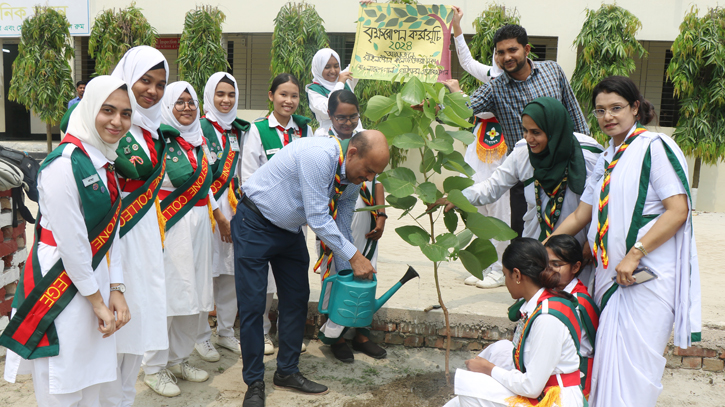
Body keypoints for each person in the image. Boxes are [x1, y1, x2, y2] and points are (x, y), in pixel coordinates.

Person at [550, 76, 701, 407]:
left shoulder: (655, 148)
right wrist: (542, 247)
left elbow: (677, 211)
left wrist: (635, 254)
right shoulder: (606, 158)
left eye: (616, 108)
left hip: (645, 278)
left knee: (636, 373)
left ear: (635, 108)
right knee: (609, 368)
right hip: (609, 277)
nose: (608, 117)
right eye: (600, 110)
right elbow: (583, 216)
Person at [234, 130, 390, 407]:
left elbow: (341, 222)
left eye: (373, 174)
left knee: (296, 300)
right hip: (254, 224)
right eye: (367, 170)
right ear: (352, 153)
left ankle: (287, 371)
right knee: (253, 304)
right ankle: (254, 382)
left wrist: (345, 272)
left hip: (290, 229)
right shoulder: (319, 155)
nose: (368, 179)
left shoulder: (351, 176)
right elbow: (318, 217)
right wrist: (354, 257)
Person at [1, 75, 132, 406]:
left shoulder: (105, 161)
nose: (118, 121)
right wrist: (98, 301)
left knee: (93, 382)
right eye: (108, 110)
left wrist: (116, 289)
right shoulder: (62, 165)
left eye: (126, 113)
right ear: (88, 109)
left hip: (94, 280)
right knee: (63, 382)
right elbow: (72, 245)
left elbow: (112, 231)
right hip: (59, 282)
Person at [447, 19, 589, 240]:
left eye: (512, 50)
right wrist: (434, 106)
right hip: (525, 173)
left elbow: (576, 117)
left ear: (527, 49)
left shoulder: (553, 71)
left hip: (566, 171)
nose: (506, 57)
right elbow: (463, 110)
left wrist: (583, 158)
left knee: (570, 238)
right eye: (500, 52)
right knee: (523, 242)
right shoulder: (495, 88)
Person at [435, 97, 602, 252]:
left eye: (536, 132)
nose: (529, 138)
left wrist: (592, 241)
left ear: (554, 130)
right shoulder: (523, 153)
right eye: (525, 130)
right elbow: (492, 186)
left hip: (578, 247)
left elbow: (603, 203)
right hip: (535, 247)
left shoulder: (589, 154)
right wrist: (459, 198)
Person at [136, 81, 215, 397]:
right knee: (169, 294)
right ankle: (154, 368)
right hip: (170, 223)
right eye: (179, 102)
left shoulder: (199, 140)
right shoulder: (157, 140)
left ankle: (178, 359)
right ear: (167, 106)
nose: (186, 107)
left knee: (193, 294)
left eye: (191, 102)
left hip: (199, 225)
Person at [443, 238, 584, 407]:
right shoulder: (538, 304)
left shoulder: (547, 318)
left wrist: (489, 369)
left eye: (505, 274)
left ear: (517, 275)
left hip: (555, 399)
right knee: (461, 398)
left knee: (470, 392)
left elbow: (531, 386)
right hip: (543, 390)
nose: (506, 282)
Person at [105, 46, 171, 402]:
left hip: (144, 235)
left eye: (160, 84)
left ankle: (124, 396)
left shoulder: (152, 130)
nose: (153, 90)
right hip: (114, 235)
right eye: (145, 80)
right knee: (114, 326)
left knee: (139, 318)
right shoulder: (107, 125)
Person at [239, 73, 313, 357]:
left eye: (294, 96)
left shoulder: (304, 131)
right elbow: (248, 176)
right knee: (264, 284)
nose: (289, 101)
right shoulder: (258, 130)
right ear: (271, 96)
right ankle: (262, 334)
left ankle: (288, 335)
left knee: (292, 284)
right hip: (263, 221)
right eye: (283, 94)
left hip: (295, 221)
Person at [316, 89, 388, 363]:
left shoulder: (369, 139)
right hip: (332, 217)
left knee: (366, 270)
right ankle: (334, 334)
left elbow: (379, 182)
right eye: (341, 117)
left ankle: (361, 333)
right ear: (331, 116)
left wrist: (381, 215)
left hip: (365, 216)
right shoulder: (323, 140)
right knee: (335, 272)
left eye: (353, 116)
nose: (347, 122)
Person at [450, 6, 510, 289]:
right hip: (479, 148)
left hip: (503, 151)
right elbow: (466, 61)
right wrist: (457, 27)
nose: (503, 58)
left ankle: (502, 269)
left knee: (500, 209)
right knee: (478, 205)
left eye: (508, 52)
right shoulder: (491, 74)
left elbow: (481, 109)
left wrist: (456, 94)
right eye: (499, 53)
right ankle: (488, 265)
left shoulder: (514, 82)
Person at [195, 72, 250, 362]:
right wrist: (219, 214)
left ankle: (226, 332)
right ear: (209, 96)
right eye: (220, 94)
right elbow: (199, 176)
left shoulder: (238, 130)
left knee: (230, 272)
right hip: (207, 209)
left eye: (230, 94)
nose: (226, 100)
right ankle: (201, 336)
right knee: (205, 273)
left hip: (235, 208)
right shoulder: (198, 127)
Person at [544, 235, 598, 398]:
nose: (549, 269)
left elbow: (586, 350)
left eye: (557, 264)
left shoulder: (579, 303)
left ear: (575, 267)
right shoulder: (552, 290)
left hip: (576, 376)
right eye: (546, 264)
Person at [306, 48, 363, 136]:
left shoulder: (344, 78)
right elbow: (326, 110)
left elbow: (360, 63)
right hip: (329, 136)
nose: (333, 71)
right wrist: (340, 83)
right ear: (318, 68)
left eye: (336, 66)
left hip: (354, 134)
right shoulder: (314, 90)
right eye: (327, 67)